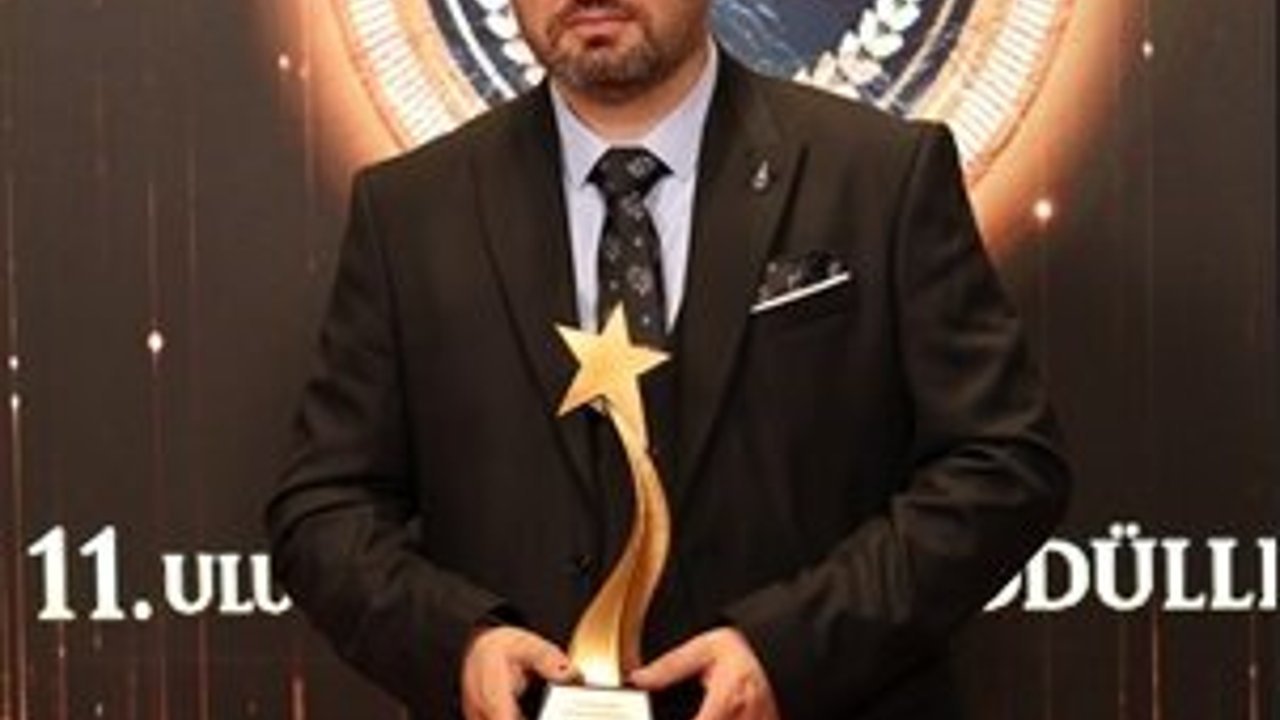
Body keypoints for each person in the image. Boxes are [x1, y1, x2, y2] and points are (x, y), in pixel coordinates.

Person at [264, 0, 1072, 717]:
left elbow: (1002, 464)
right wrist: (459, 646)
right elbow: (327, 508)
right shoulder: (408, 210)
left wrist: (788, 652)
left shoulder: (880, 173)